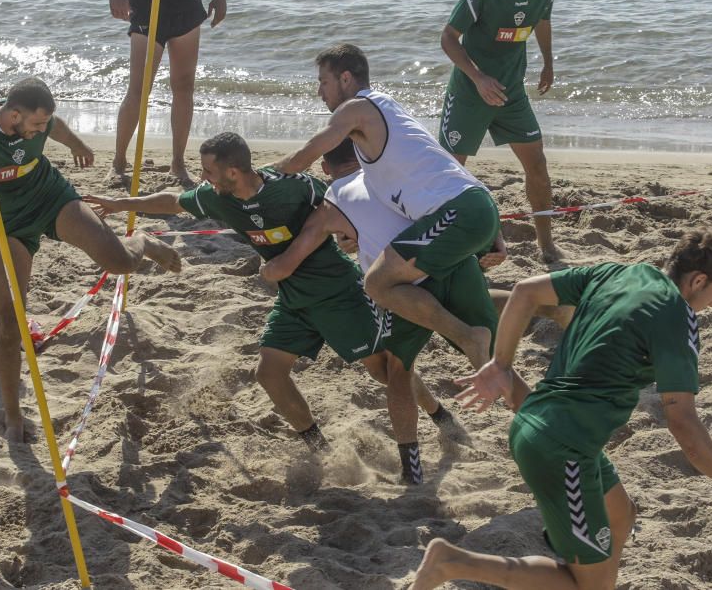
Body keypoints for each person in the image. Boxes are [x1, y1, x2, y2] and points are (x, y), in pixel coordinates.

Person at [87, 133, 450, 480]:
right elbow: (173, 200)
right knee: (269, 373)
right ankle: (320, 449)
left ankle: (439, 417)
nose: (203, 178)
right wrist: (121, 204)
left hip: (338, 293)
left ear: (233, 172)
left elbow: (344, 201)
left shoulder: (292, 186)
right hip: (293, 299)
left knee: (386, 371)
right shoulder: (218, 196)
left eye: (208, 171)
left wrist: (350, 234)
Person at [411, 228, 712, 590]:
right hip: (563, 448)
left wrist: (501, 364)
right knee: (584, 587)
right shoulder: (678, 319)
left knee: (621, 516)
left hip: (546, 425)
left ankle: (590, 566)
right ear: (698, 280)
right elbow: (684, 424)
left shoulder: (620, 273)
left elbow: (524, 292)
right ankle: (451, 562)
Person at [0, 77, 181, 443]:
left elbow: (56, 126)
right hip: (6, 225)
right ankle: (14, 415)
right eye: (36, 125)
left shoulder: (39, 119)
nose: (41, 130)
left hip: (51, 197)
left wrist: (78, 144)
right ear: (14, 114)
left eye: (44, 124)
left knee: (119, 262)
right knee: (9, 323)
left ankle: (141, 242)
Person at [261, 139, 496, 482]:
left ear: (325, 168)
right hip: (450, 257)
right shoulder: (388, 174)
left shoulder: (330, 203)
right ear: (360, 156)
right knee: (499, 362)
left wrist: (268, 270)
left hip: (405, 283)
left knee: (398, 371)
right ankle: (534, 423)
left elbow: (292, 259)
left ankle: (412, 472)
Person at [276, 44, 502, 371]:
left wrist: (260, 176)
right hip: (470, 207)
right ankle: (491, 337)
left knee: (377, 284)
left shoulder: (357, 108)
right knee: (490, 352)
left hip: (459, 214)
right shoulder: (388, 115)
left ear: (345, 78)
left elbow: (304, 156)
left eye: (323, 82)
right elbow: (446, 168)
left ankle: (469, 337)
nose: (319, 92)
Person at [438, 0, 560, 261]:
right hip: (469, 92)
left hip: (511, 93)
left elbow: (542, 21)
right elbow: (448, 37)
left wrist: (548, 63)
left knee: (537, 162)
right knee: (450, 171)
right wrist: (477, 77)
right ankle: (448, 244)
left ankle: (546, 245)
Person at [99, 0, 230, 185]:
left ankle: (178, 163)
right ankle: (119, 162)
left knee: (183, 87)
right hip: (147, 10)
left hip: (187, 9)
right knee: (139, 89)